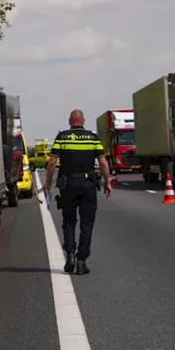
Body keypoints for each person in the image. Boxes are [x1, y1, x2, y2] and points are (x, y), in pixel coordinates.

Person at [45, 109, 112, 275]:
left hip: (68, 184)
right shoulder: (93, 138)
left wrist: (48, 183)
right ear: (83, 121)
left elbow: (52, 163)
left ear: (70, 121)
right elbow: (103, 163)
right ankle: (81, 261)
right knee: (87, 223)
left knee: (69, 221)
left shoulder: (62, 137)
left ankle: (70, 255)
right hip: (88, 184)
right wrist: (108, 181)